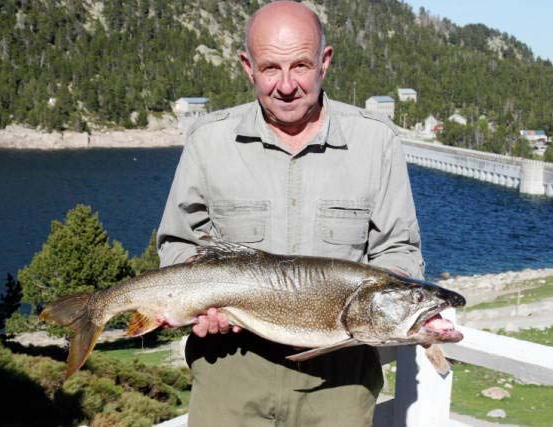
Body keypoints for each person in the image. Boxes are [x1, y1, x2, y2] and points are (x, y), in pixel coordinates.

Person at [156, 1, 424, 425]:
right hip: (229, 368)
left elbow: (400, 251)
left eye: (300, 66)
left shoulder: (377, 143)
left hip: (339, 380)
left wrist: (387, 306)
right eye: (270, 68)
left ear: (325, 62)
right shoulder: (208, 141)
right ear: (248, 67)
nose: (285, 85)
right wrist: (198, 305)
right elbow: (178, 243)